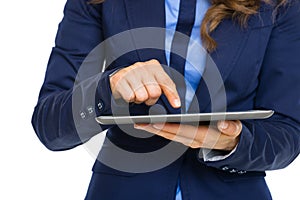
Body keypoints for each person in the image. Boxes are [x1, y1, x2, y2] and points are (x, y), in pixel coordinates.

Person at [32, 0, 300, 199]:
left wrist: (231, 142)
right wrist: (109, 87)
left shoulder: (280, 5)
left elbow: (287, 132)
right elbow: (50, 126)